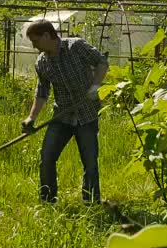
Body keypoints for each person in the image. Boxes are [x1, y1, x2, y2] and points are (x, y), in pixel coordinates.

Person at [21, 19, 109, 204]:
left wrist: (95, 86)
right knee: (47, 158)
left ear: (47, 35)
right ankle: (48, 201)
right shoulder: (42, 63)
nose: (34, 46)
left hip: (87, 114)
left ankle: (91, 202)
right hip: (62, 116)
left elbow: (101, 61)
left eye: (36, 41)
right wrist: (31, 118)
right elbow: (42, 92)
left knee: (90, 163)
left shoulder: (75, 46)